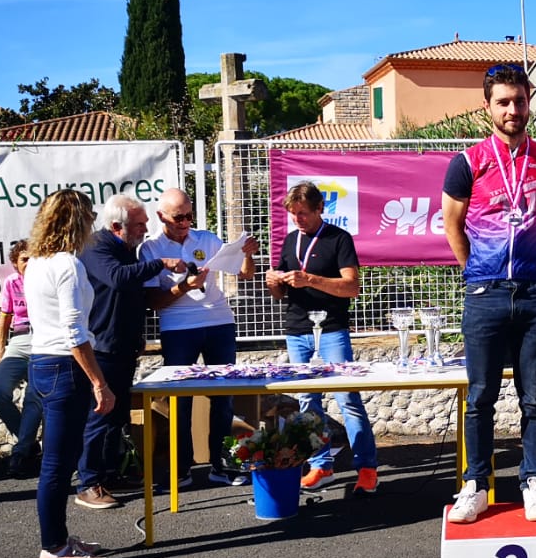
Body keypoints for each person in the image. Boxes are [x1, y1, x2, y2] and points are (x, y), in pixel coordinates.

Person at [441, 64, 536, 523]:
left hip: (533, 291)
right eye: (503, 101)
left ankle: (534, 478)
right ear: (488, 107)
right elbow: (452, 224)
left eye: (519, 100)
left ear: (529, 100)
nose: (512, 109)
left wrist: (523, 258)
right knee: (480, 397)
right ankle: (476, 483)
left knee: (534, 394)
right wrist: (477, 271)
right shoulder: (467, 162)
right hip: (485, 294)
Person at [264, 182, 378, 497]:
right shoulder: (289, 241)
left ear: (319, 209)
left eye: (303, 213)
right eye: (293, 215)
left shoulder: (338, 239)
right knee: (306, 403)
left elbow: (351, 286)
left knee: (347, 400)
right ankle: (320, 464)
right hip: (297, 330)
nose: (298, 219)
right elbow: (281, 293)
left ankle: (367, 467)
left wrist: (311, 279)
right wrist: (274, 282)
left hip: (332, 330)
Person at [141, 188, 258, 486]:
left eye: (189, 215)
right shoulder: (151, 249)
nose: (185, 222)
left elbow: (244, 275)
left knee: (223, 396)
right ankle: (181, 468)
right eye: (178, 217)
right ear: (161, 216)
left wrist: (246, 255)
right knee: (180, 399)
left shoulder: (206, 238)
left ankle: (222, 464)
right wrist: (184, 287)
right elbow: (153, 302)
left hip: (219, 322)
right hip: (177, 327)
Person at [26, 189, 115, 558]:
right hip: (64, 365)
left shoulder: (37, 262)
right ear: (79, 221)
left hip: (43, 362)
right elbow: (74, 331)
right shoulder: (67, 265)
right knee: (58, 465)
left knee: (57, 462)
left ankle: (59, 539)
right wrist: (99, 381)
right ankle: (54, 549)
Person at [78, 194, 185, 508]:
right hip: (102, 347)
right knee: (99, 415)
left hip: (123, 345)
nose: (146, 228)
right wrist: (160, 263)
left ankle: (110, 472)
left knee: (117, 415)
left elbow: (133, 296)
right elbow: (117, 279)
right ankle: (88, 483)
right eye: (139, 224)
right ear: (116, 226)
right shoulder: (97, 247)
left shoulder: (128, 250)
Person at [0, 239, 44, 478]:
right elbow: (5, 320)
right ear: (15, 263)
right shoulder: (11, 283)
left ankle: (20, 453)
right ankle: (29, 444)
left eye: (33, 258)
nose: (29, 263)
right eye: (24, 259)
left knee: (34, 396)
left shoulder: (44, 281)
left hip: (42, 340)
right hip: (19, 342)